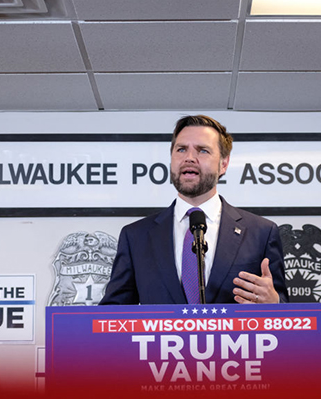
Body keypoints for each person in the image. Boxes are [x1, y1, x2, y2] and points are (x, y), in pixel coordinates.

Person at [99, 115, 288, 305]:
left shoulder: (261, 233)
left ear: (223, 163)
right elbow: (111, 317)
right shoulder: (136, 237)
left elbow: (288, 317)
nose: (189, 158)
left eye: (202, 150)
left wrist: (275, 305)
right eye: (181, 149)